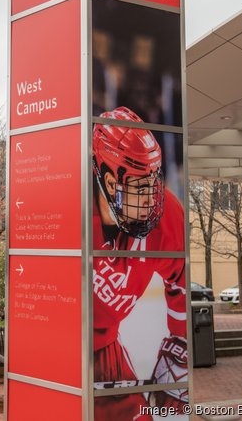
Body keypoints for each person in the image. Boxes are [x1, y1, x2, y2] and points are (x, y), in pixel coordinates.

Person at [91, 106, 187, 419]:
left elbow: (181, 280)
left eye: (154, 183)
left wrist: (179, 342)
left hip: (106, 348)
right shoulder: (73, 215)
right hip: (63, 351)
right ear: (108, 180)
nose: (152, 199)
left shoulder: (167, 216)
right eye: (139, 187)